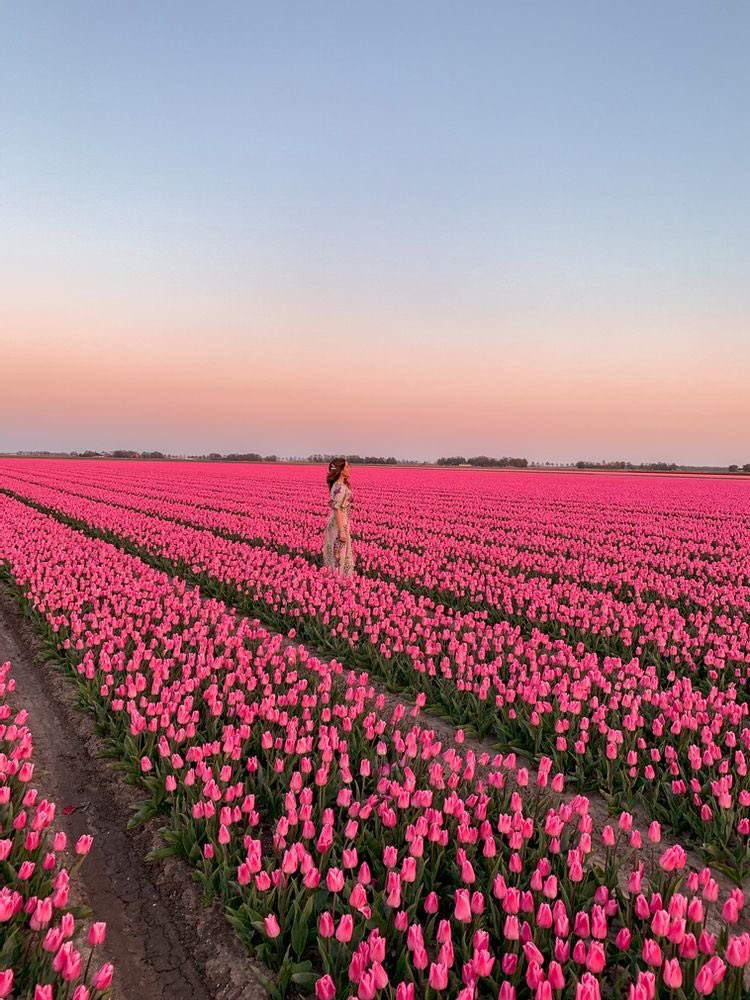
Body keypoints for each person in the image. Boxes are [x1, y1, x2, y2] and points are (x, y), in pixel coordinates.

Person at [322, 458, 354, 578]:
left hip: (340, 522)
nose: (349, 468)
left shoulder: (339, 485)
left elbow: (340, 503)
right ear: (340, 471)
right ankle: (338, 581)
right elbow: (337, 509)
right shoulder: (339, 487)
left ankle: (337, 579)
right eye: (346, 467)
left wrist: (350, 505)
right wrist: (341, 531)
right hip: (338, 524)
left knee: (339, 553)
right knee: (339, 553)